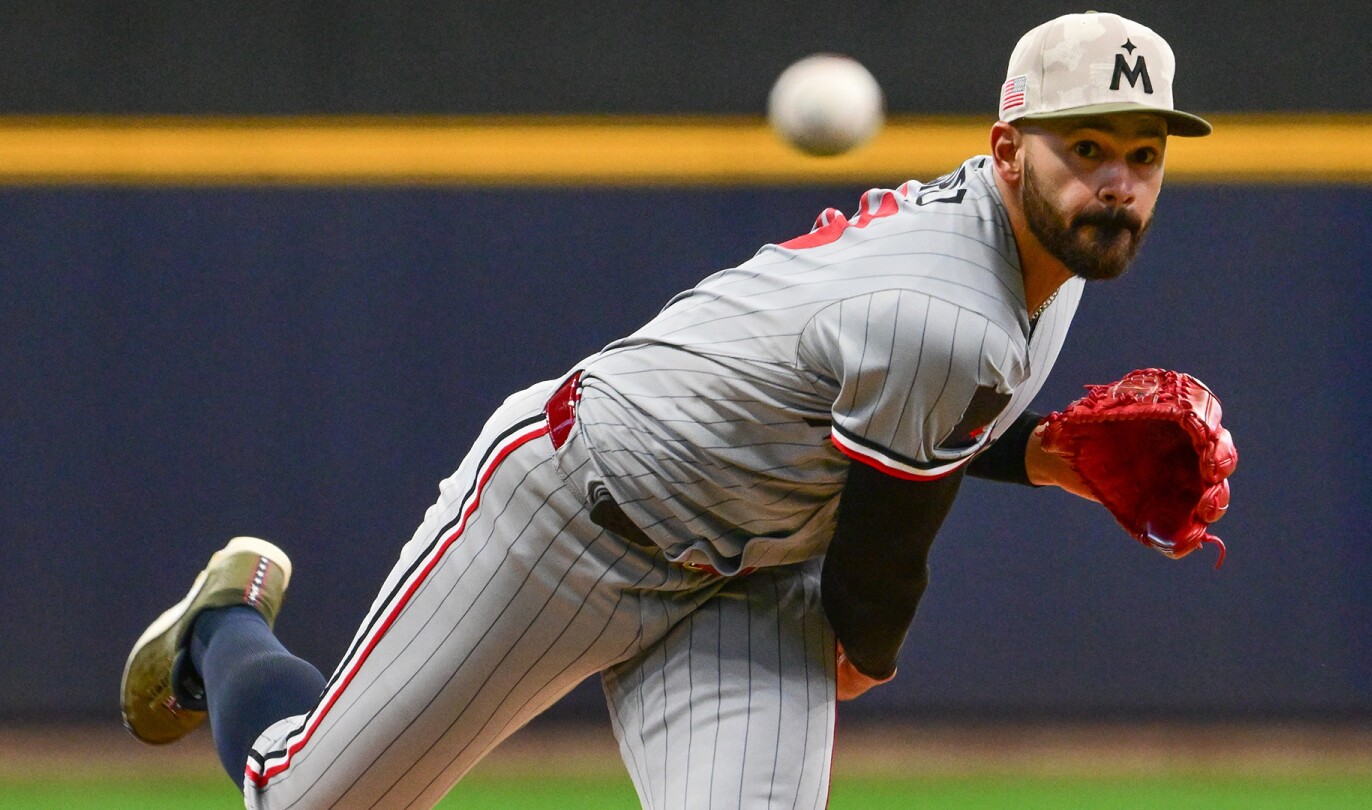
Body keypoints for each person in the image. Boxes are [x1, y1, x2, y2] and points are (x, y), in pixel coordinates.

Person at [122, 11, 1215, 809]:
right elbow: (883, 562)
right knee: (302, 800)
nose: (1116, 184)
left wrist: (1038, 455)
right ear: (1007, 150)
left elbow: (900, 410)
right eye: (1085, 148)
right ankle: (223, 627)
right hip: (572, 519)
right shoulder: (949, 305)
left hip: (753, 574)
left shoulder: (1045, 260)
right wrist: (865, 655)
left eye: (1142, 155)